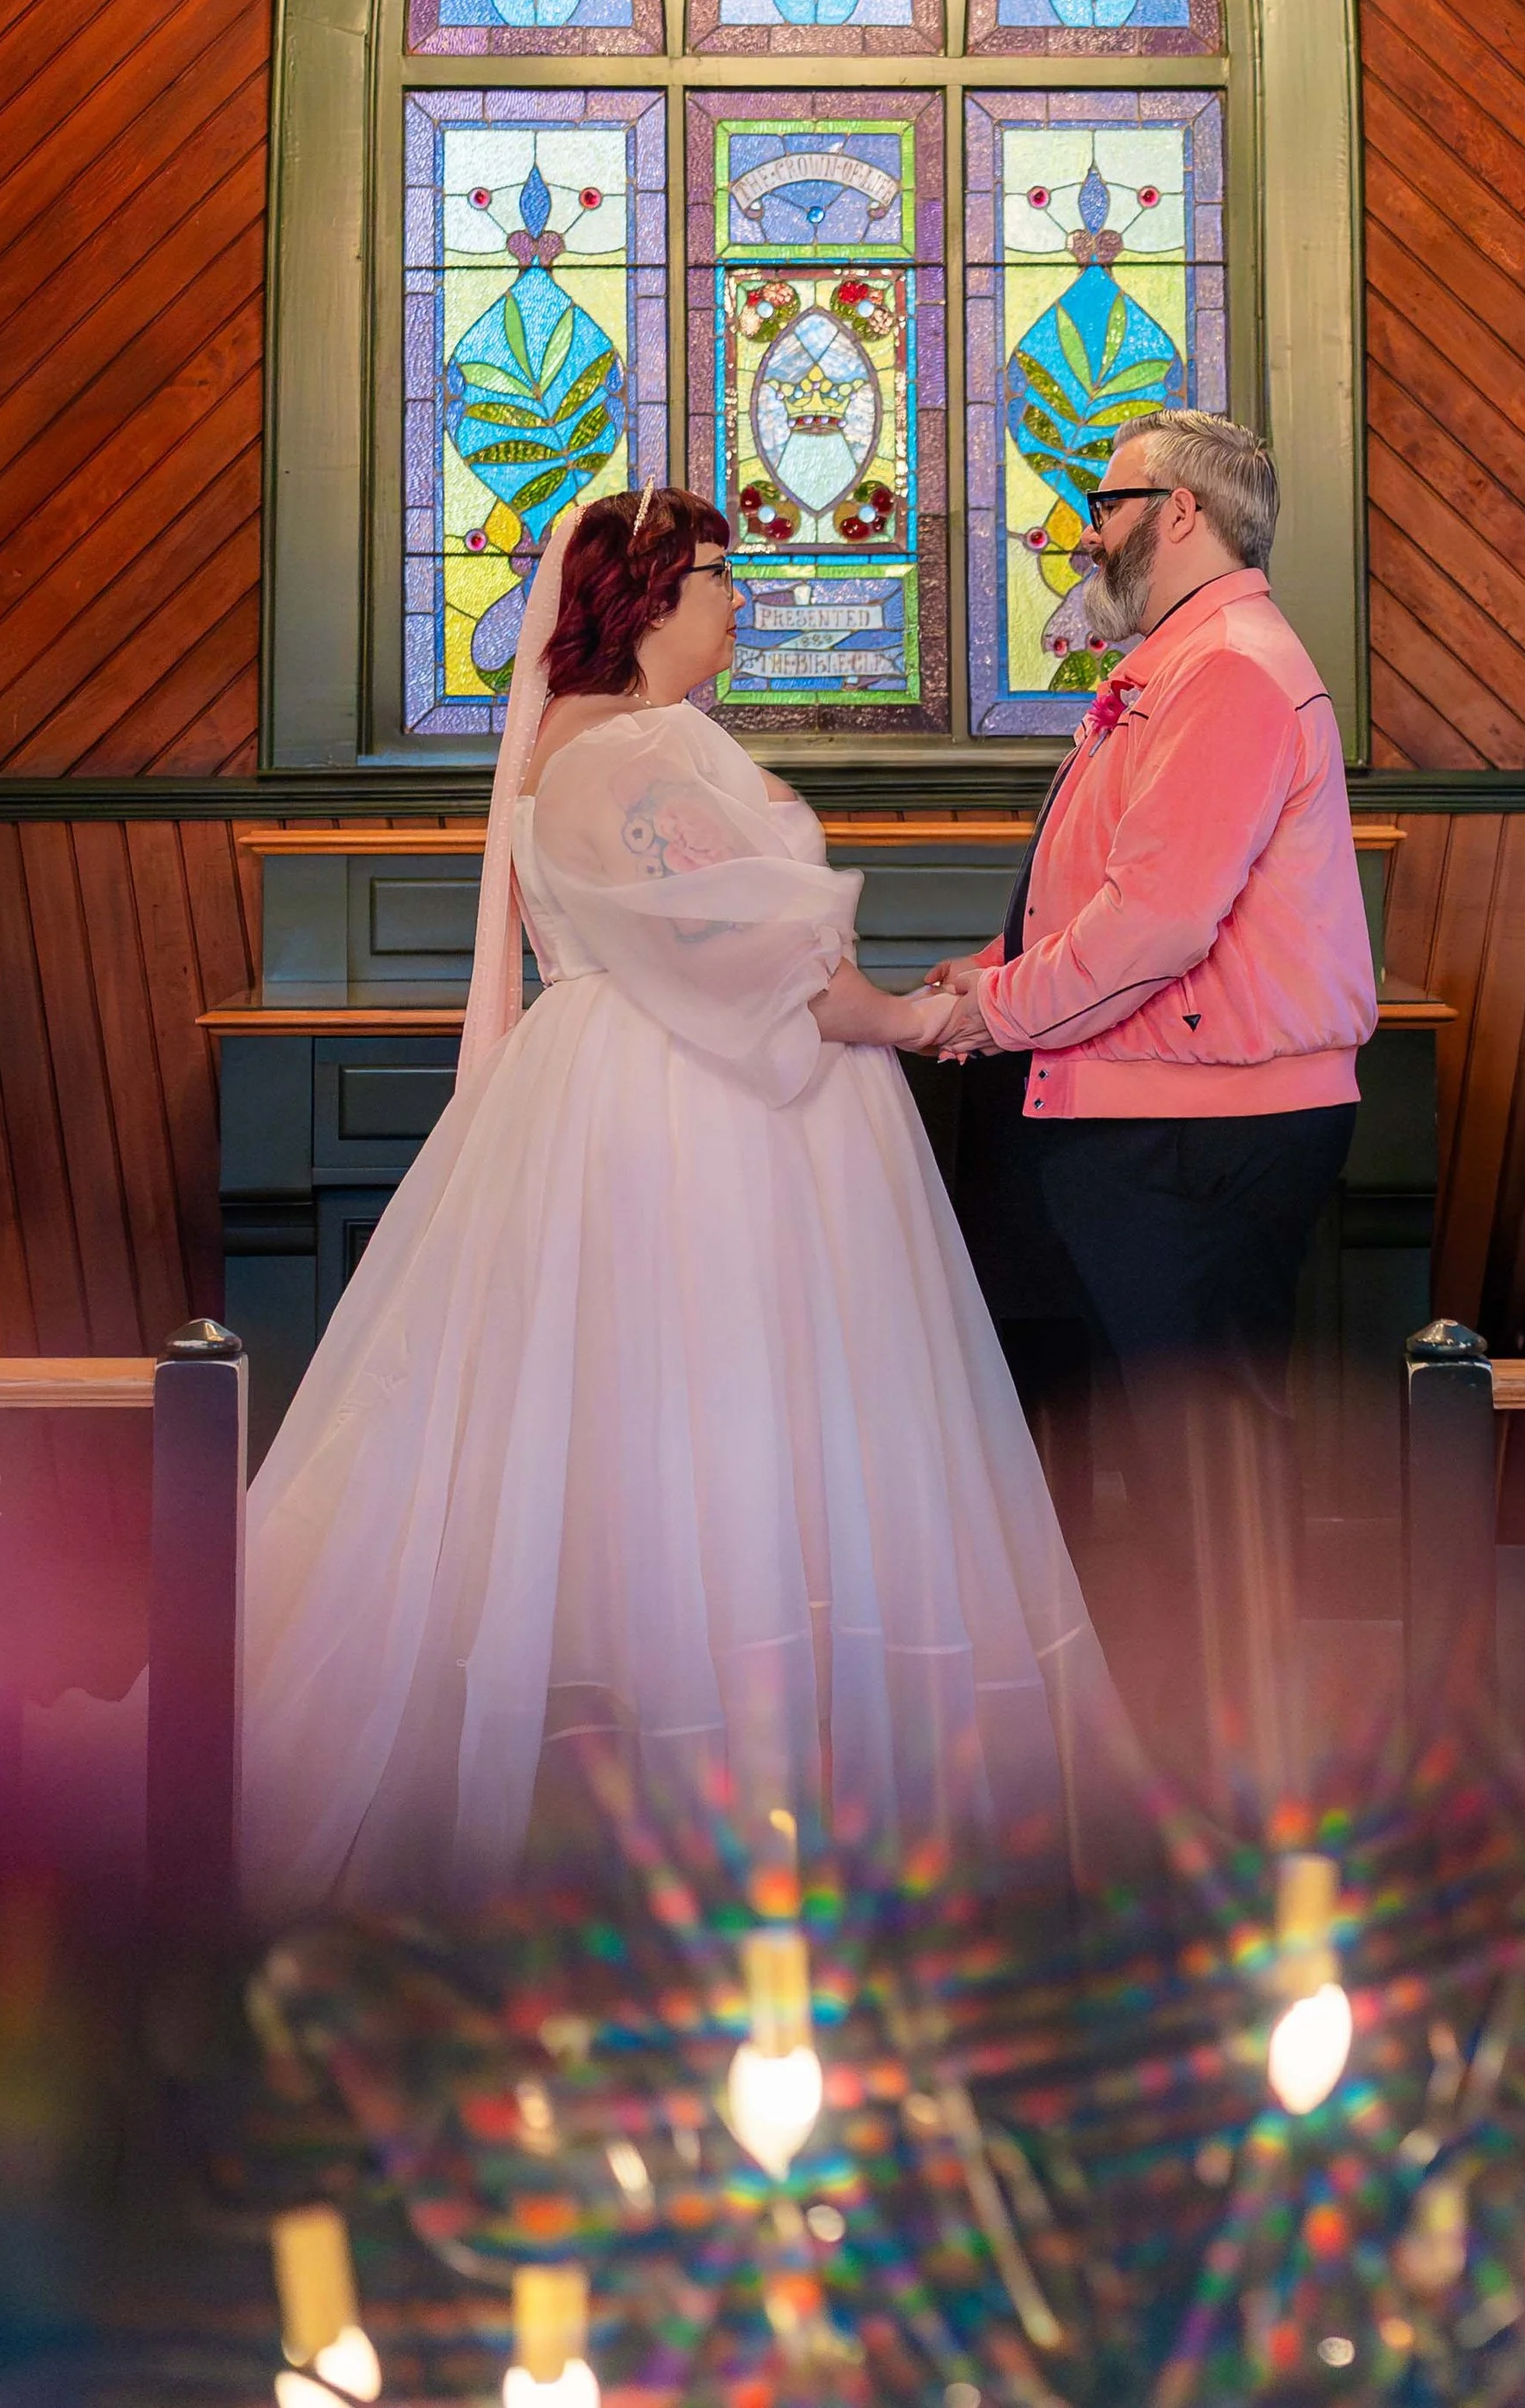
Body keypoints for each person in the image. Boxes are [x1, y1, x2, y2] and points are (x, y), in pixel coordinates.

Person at [237, 487, 1137, 1919]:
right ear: (648, 593)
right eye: (721, 573)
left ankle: (713, 1764)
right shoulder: (627, 754)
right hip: (694, 1116)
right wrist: (924, 1021)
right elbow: (767, 967)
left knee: (679, 1434)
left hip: (661, 1099)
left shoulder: (605, 743)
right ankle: (727, 1785)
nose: (741, 599)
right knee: (722, 1417)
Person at [929, 416, 1376, 1813]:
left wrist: (998, 1010)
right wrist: (1000, 975)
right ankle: (1184, 1755)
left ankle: (1234, 1783)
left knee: (1199, 1462)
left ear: (1180, 512)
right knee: (1168, 1454)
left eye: (1106, 500)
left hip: (1199, 1126)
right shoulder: (1182, 662)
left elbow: (1163, 922)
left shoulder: (1229, 670)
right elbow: (1120, 893)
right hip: (1157, 1109)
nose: (1086, 528)